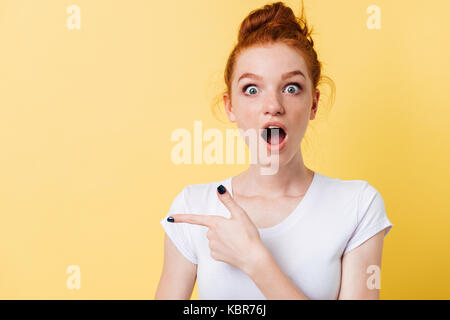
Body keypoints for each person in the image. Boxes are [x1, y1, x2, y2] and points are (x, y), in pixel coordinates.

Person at [155, 1, 393, 300]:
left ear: (314, 104)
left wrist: (255, 261)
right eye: (252, 89)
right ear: (230, 106)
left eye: (291, 87)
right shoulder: (193, 208)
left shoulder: (358, 206)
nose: (273, 107)